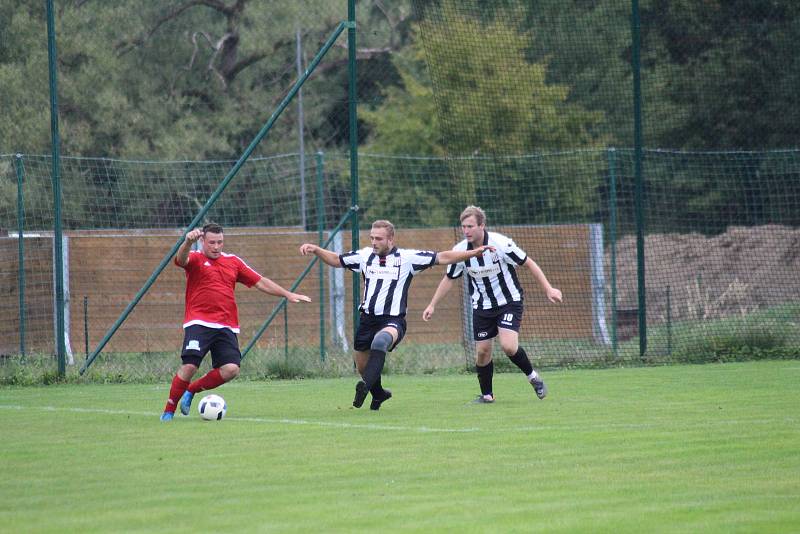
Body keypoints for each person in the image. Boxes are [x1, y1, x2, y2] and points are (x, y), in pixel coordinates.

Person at [299, 219, 494, 410]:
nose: (374, 242)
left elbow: (442, 257)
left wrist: (474, 253)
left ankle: (365, 387)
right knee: (363, 367)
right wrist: (317, 249)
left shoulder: (407, 258)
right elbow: (336, 260)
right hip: (367, 320)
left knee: (380, 342)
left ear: (391, 239)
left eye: (379, 239)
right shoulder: (364, 255)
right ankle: (379, 394)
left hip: (393, 321)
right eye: (372, 238)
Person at [160, 223, 311, 421]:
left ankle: (191, 390)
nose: (216, 246)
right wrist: (187, 241)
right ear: (202, 241)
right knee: (189, 367)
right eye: (211, 242)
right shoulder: (196, 258)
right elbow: (181, 259)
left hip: (226, 325)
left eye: (220, 242)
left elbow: (260, 281)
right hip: (199, 322)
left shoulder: (233, 262)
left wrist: (287, 294)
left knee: (231, 369)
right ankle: (168, 411)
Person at [422, 206, 562, 403]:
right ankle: (487, 396)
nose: (466, 230)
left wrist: (549, 288)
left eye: (470, 226)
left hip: (508, 302)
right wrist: (432, 304)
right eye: (463, 226)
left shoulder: (501, 244)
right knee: (482, 351)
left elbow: (528, 263)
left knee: (508, 346)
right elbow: (449, 278)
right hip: (481, 306)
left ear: (482, 225)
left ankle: (534, 378)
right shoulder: (460, 251)